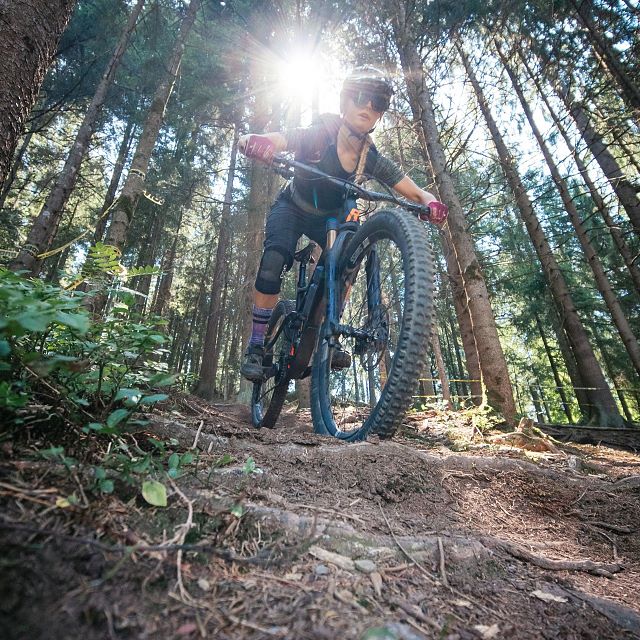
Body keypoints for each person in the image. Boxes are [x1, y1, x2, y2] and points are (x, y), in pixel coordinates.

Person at [238, 66, 448, 381]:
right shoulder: (319, 133)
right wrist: (256, 142)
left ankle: (329, 332)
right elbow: (281, 139)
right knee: (273, 260)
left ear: (380, 114)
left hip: (330, 221)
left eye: (377, 103)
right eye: (360, 97)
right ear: (344, 101)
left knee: (346, 265)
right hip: (293, 206)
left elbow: (415, 190)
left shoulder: (371, 156)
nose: (367, 106)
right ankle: (257, 346)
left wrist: (430, 203)